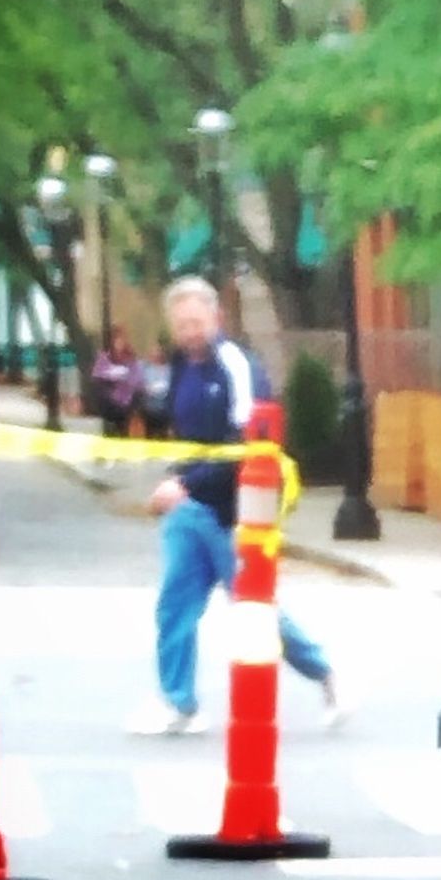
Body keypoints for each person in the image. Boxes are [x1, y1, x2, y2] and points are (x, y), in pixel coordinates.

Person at [126, 276, 339, 735]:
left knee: (256, 609)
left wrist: (186, 482)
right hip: (190, 510)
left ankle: (324, 672)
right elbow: (189, 437)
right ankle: (179, 703)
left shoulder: (236, 366)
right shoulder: (181, 365)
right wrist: (176, 476)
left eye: (197, 322)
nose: (189, 332)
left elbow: (246, 442)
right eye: (181, 324)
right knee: (174, 605)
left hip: (235, 513)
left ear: (216, 318)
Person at [90, 326, 149, 438]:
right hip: (109, 402)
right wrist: (111, 376)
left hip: (127, 403)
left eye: (121, 339)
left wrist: (125, 377)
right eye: (116, 340)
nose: (119, 343)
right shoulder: (104, 357)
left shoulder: (131, 358)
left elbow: (138, 380)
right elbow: (98, 375)